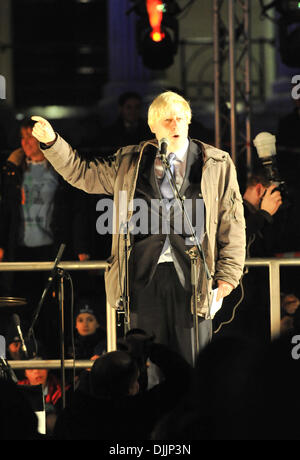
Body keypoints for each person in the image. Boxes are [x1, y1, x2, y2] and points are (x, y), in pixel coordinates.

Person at [31, 90, 246, 369]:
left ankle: (191, 413)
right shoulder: (131, 162)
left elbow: (233, 219)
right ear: (153, 126)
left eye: (181, 118)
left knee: (191, 366)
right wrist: (52, 142)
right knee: (147, 366)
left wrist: (228, 275)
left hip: (194, 279)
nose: (175, 124)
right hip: (143, 277)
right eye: (167, 119)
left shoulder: (215, 163)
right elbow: (82, 172)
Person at [0, 119, 91, 355]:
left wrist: (81, 246)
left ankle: (54, 352)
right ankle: (26, 354)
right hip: (21, 248)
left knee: (54, 306)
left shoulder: (61, 170)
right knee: (23, 304)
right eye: (24, 138)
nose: (27, 143)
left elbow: (76, 210)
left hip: (53, 247)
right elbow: (5, 211)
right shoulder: (12, 170)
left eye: (31, 137)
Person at [53, 335, 193, 440]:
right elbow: (184, 378)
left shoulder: (71, 416)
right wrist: (149, 348)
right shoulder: (138, 412)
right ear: (132, 388)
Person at [213, 171, 283, 342]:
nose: (277, 204)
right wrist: (263, 214)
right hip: (230, 308)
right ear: (260, 189)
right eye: (273, 196)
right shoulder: (234, 208)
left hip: (251, 307)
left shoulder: (260, 220)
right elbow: (230, 239)